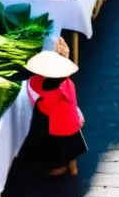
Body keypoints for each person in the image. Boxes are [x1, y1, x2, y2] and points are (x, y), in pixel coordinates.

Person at [19, 43, 86, 176]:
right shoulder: (68, 83)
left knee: (58, 159)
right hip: (72, 123)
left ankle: (59, 168)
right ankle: (73, 168)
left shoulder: (41, 86)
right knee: (72, 148)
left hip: (56, 127)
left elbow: (32, 86)